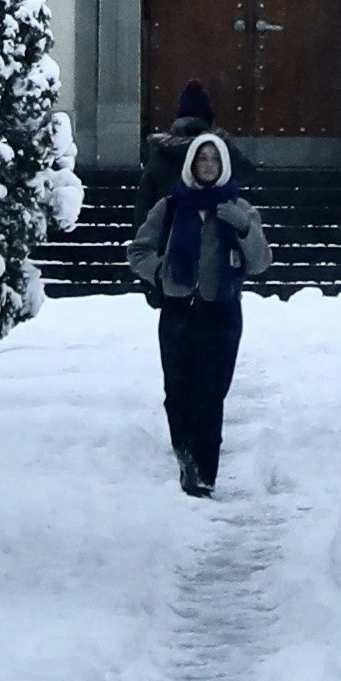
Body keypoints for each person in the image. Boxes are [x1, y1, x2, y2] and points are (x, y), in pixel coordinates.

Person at [129, 108, 256, 491]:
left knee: (211, 393)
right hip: (179, 310)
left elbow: (261, 263)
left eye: (214, 158)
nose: (208, 164)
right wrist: (160, 271)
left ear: (224, 164)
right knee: (178, 392)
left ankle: (203, 472)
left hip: (222, 311)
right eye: (202, 157)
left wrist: (245, 228)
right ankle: (184, 453)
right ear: (191, 163)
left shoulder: (239, 210)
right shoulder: (169, 207)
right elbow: (138, 251)